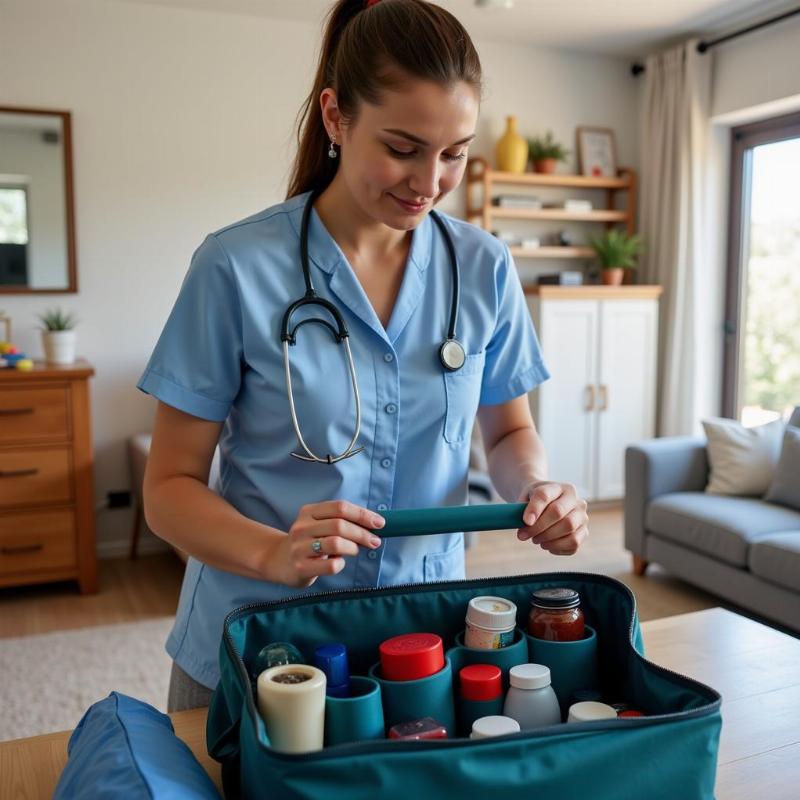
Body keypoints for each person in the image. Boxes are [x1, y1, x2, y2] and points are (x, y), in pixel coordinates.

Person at [139, 0, 589, 713]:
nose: (429, 181)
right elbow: (167, 488)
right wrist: (270, 552)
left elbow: (506, 432)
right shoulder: (235, 267)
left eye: (455, 152)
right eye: (403, 147)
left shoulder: (483, 267)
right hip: (259, 636)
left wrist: (538, 489)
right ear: (335, 118)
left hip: (421, 637)